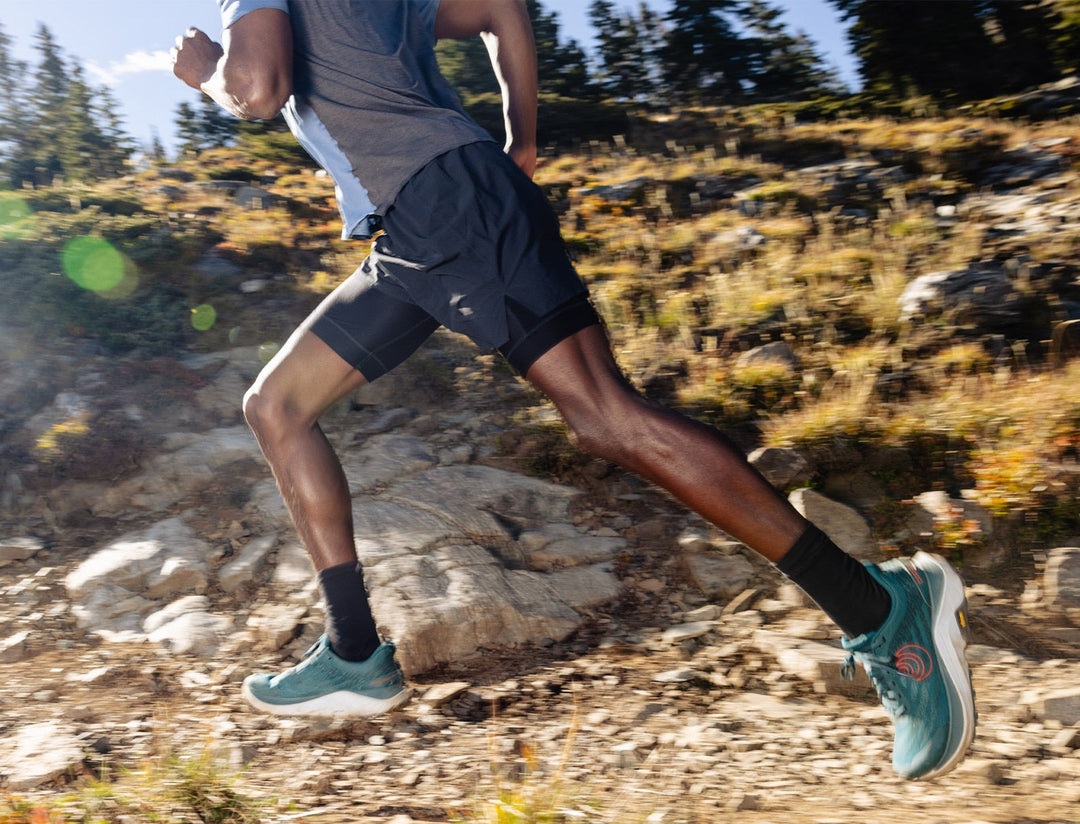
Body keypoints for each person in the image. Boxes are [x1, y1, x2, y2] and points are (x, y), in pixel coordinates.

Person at [172, 0, 975, 780]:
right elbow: (500, 6)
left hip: (446, 205)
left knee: (606, 417)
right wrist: (520, 140)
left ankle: (880, 610)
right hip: (419, 225)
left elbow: (256, 89)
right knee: (276, 407)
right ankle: (354, 650)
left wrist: (208, 72)